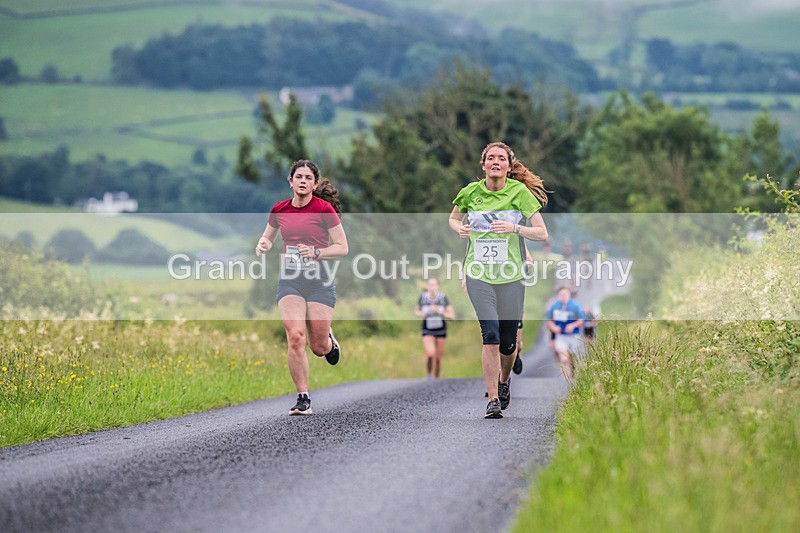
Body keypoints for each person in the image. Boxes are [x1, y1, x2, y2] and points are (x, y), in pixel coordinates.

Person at [450, 141, 548, 419]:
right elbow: (453, 219)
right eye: (490, 158)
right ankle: (493, 399)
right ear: (483, 165)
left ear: (508, 165)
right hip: (478, 273)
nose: (495, 162)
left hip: (510, 276)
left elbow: (542, 233)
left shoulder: (519, 193)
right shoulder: (470, 192)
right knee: (490, 334)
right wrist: (461, 227)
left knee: (508, 343)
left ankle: (505, 382)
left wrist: (515, 228)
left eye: (501, 158)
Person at [255, 160, 349, 415]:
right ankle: (303, 398)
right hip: (291, 280)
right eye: (299, 176)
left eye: (309, 177)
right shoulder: (280, 209)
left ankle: (329, 341)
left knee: (318, 348)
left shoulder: (324, 209)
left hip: (319, 281)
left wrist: (317, 252)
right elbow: (268, 236)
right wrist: (263, 244)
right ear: (291, 181)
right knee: (295, 336)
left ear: (315, 183)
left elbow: (342, 247)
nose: (303, 181)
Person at [415, 277, 456, 380]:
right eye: (430, 285)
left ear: (438, 286)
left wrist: (440, 312)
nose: (432, 287)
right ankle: (429, 375)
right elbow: (417, 311)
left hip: (441, 330)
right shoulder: (423, 298)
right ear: (427, 286)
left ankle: (436, 380)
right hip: (427, 329)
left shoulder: (443, 298)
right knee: (430, 354)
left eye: (434, 285)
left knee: (438, 358)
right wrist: (423, 313)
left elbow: (452, 316)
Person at [545, 286, 587, 379]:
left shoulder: (576, 306)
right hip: (561, 336)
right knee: (564, 358)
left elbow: (582, 319)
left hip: (574, 335)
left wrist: (573, 325)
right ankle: (565, 380)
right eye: (561, 294)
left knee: (573, 357)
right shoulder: (554, 306)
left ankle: (573, 371)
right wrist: (553, 327)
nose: (564, 296)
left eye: (566, 294)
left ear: (569, 295)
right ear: (558, 295)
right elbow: (548, 320)